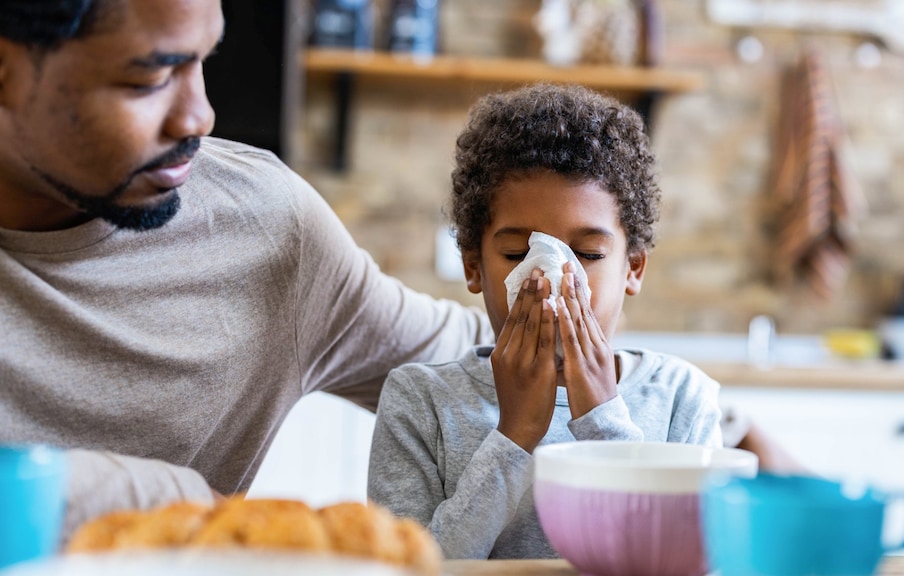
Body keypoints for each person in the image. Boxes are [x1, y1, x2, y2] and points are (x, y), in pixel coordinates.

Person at [0, 0, 491, 539]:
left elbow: (481, 362)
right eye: (151, 77)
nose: (198, 116)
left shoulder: (267, 231)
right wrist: (168, 499)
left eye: (202, 60)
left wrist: (575, 285)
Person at [367, 83, 723, 560]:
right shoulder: (419, 403)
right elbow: (407, 569)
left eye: (589, 254)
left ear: (632, 268)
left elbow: (682, 561)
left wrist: (604, 423)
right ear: (473, 265)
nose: (554, 283)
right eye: (518, 253)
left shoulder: (682, 400)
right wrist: (513, 437)